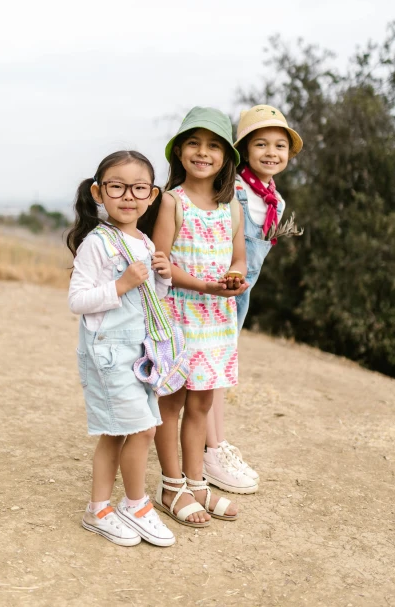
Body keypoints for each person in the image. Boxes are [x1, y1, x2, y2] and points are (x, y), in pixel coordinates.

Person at [67, 150, 176, 548]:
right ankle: (133, 504)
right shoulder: (96, 244)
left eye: (139, 188)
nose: (128, 196)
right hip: (108, 354)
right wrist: (121, 284)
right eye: (117, 186)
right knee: (140, 429)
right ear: (99, 192)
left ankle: (103, 508)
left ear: (151, 196)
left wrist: (161, 278)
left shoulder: (144, 241)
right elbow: (77, 300)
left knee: (120, 432)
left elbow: (148, 300)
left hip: (138, 352)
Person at [151, 107, 254, 528]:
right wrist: (205, 286)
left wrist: (234, 279)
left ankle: (197, 483)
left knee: (202, 403)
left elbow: (240, 259)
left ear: (227, 157)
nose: (202, 152)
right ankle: (170, 486)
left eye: (214, 145)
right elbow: (161, 263)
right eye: (193, 143)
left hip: (216, 322)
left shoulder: (231, 207)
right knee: (172, 403)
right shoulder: (172, 201)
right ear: (179, 152)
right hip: (179, 316)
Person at [204, 104, 304, 490]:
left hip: (241, 295)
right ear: (244, 149)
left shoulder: (276, 202)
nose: (271, 152)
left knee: (221, 371)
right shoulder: (233, 190)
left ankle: (215, 445)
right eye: (260, 143)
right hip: (216, 288)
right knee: (211, 371)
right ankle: (212, 448)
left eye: (280, 145)